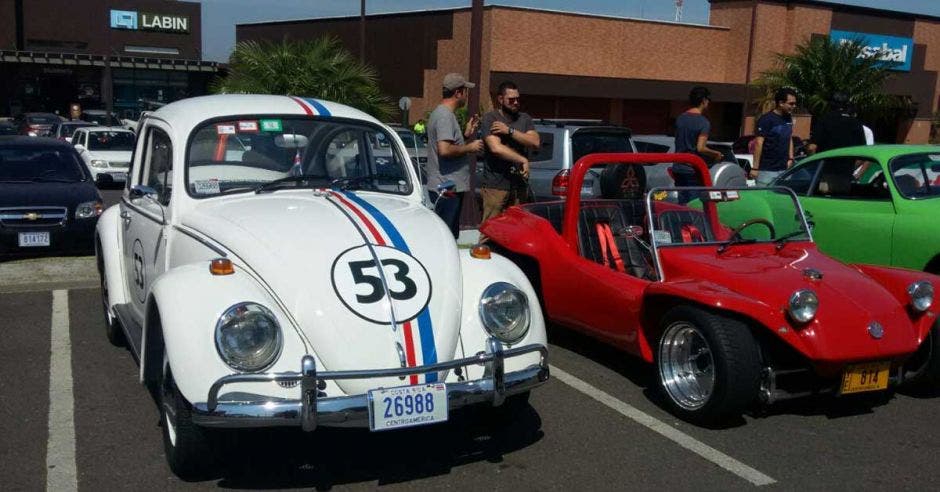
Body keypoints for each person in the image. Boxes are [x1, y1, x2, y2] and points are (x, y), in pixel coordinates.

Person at [426, 73, 483, 238]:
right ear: (458, 93)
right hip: (446, 187)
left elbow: (446, 145)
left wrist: (465, 135)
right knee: (447, 237)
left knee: (449, 234)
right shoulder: (444, 116)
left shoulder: (443, 114)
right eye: (465, 91)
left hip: (446, 185)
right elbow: (444, 150)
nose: (466, 95)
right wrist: (470, 147)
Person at [479, 81, 539, 222]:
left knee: (517, 226)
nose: (516, 102)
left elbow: (535, 142)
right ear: (500, 99)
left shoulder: (525, 119)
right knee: (491, 227)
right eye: (511, 100)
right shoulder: (491, 118)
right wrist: (522, 159)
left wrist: (509, 131)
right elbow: (495, 148)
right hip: (496, 185)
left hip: (519, 185)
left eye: (518, 99)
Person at [672, 86, 723, 203]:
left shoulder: (680, 118)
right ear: (704, 100)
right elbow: (701, 148)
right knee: (694, 203)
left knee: (682, 201)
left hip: (678, 166)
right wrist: (716, 154)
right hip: (692, 168)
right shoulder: (703, 122)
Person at [750, 87, 798, 186]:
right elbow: (759, 143)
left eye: (794, 103)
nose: (794, 106)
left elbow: (789, 138)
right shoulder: (766, 119)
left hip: (784, 169)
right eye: (791, 103)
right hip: (767, 170)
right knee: (764, 199)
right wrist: (755, 168)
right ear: (781, 103)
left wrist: (791, 158)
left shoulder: (788, 118)